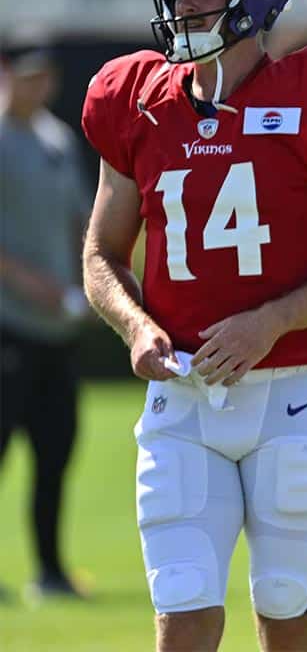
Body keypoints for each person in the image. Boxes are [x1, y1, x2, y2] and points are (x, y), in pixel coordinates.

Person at [80, 0, 307, 652]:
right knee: (183, 620)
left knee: (288, 621)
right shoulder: (133, 100)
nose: (184, 8)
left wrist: (272, 321)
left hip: (288, 397)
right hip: (182, 399)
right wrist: (136, 327)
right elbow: (102, 255)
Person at [0, 41, 92, 600]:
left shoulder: (57, 141)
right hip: (8, 323)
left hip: (57, 327)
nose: (36, 86)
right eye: (26, 75)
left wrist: (90, 282)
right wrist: (27, 282)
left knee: (56, 448)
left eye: (44, 76)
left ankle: (51, 571)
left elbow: (82, 222)